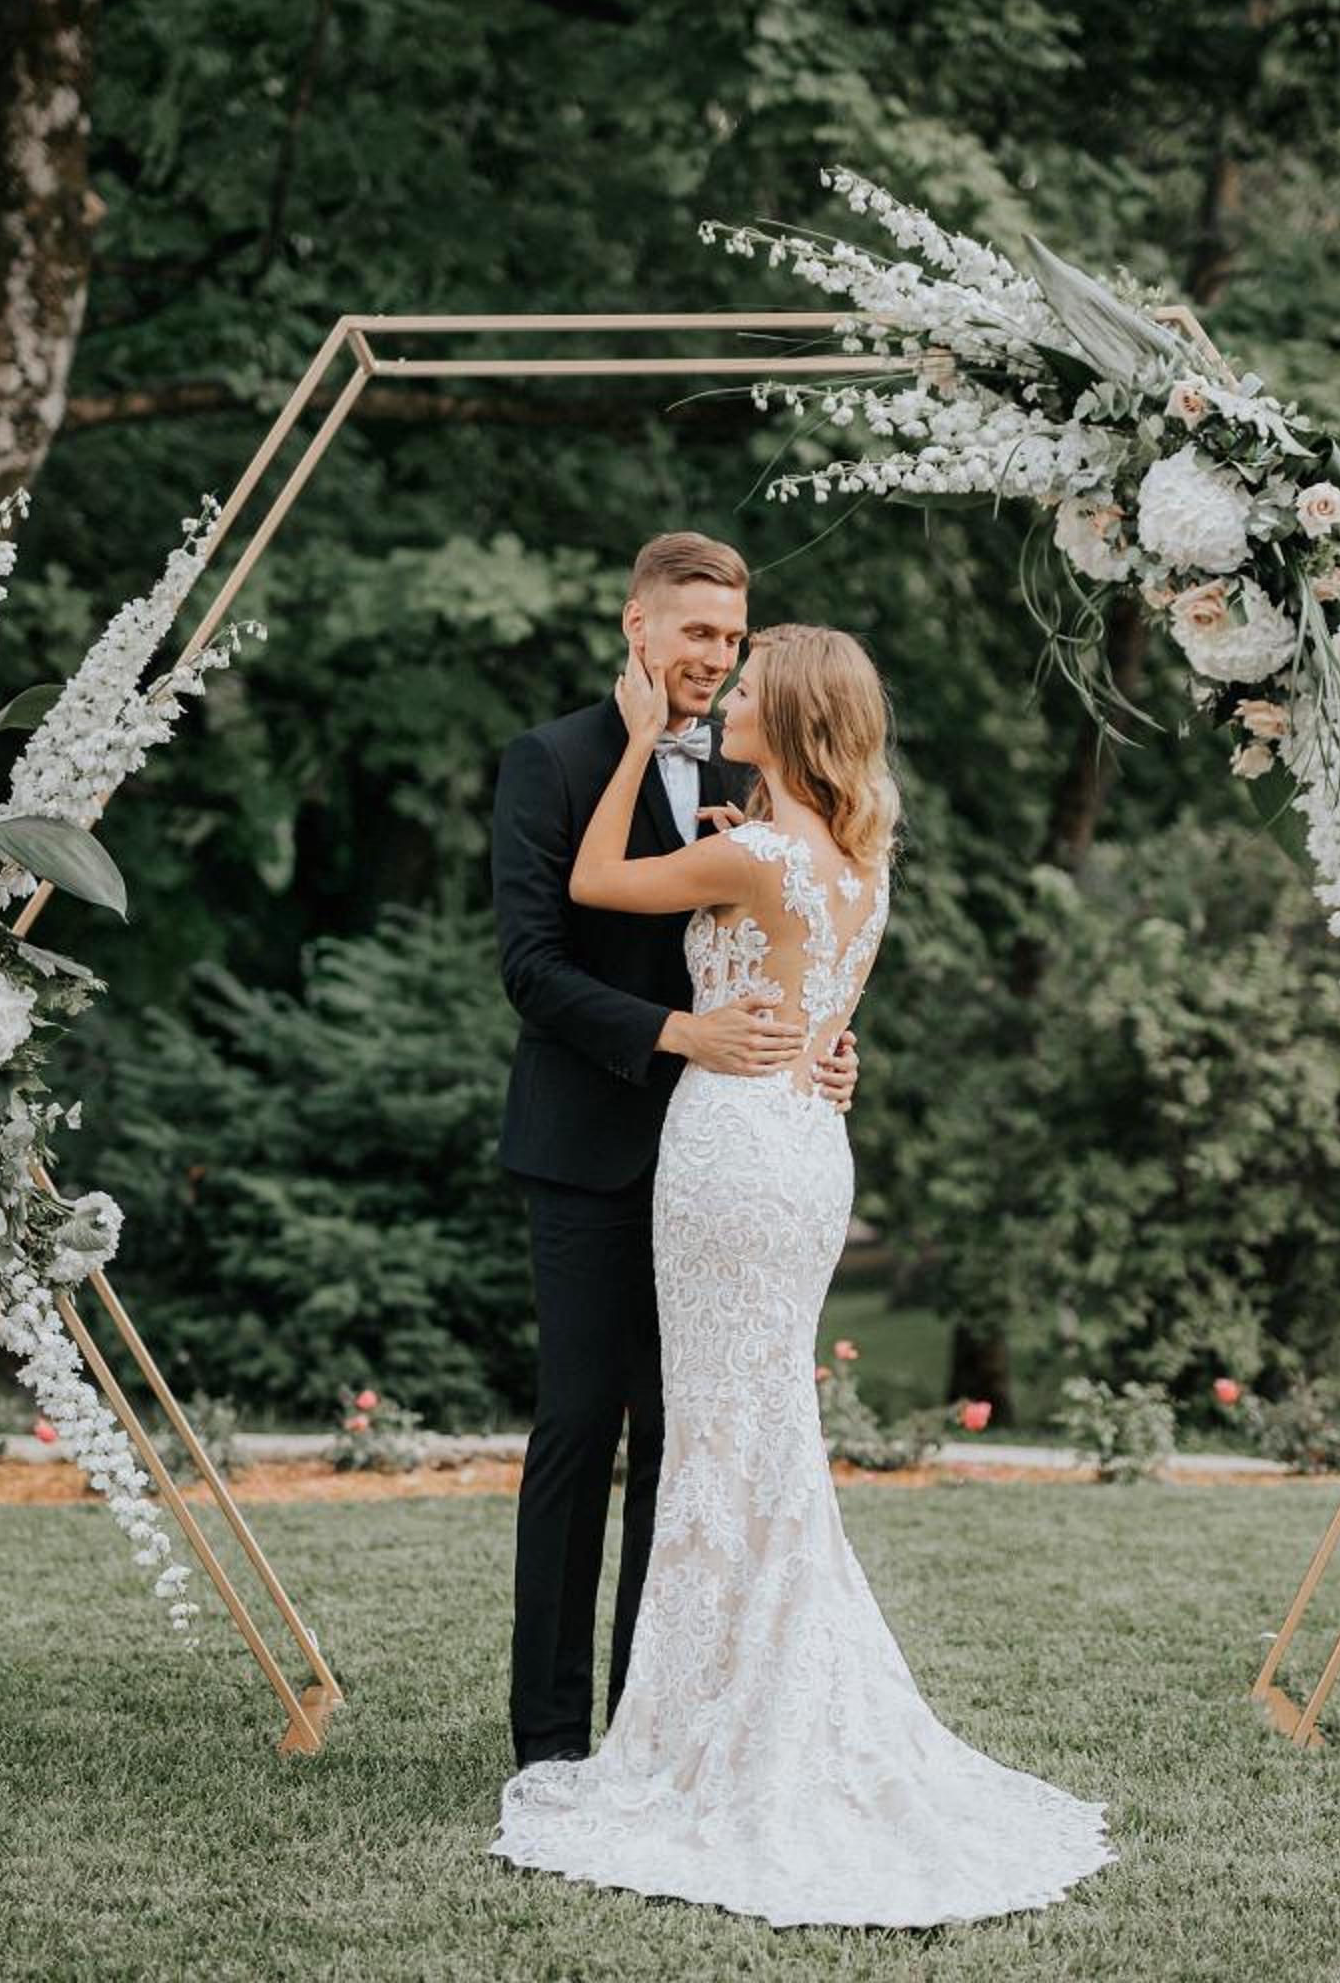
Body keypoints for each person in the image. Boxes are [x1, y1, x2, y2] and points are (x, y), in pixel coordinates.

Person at [486, 621, 1118, 1928]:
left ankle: (716, 1721)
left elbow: (595, 879)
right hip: (806, 1149)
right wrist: (822, 1028)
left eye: (751, 681)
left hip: (729, 1148)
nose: (730, 694)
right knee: (751, 1433)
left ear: (792, 714)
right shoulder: (855, 858)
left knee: (723, 1437)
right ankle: (730, 1698)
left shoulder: (755, 852)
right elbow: (822, 995)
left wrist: (638, 739)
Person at [489, 532, 860, 1774]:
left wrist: (827, 1049)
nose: (716, 656)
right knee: (578, 1427)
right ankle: (550, 1737)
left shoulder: (758, 772)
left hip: (732, 1161)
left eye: (733, 637)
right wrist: (678, 1032)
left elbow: (796, 937)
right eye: (697, 631)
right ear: (637, 625)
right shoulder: (551, 760)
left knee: (685, 1437)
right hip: (593, 1144)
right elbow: (532, 969)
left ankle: (650, 1724)